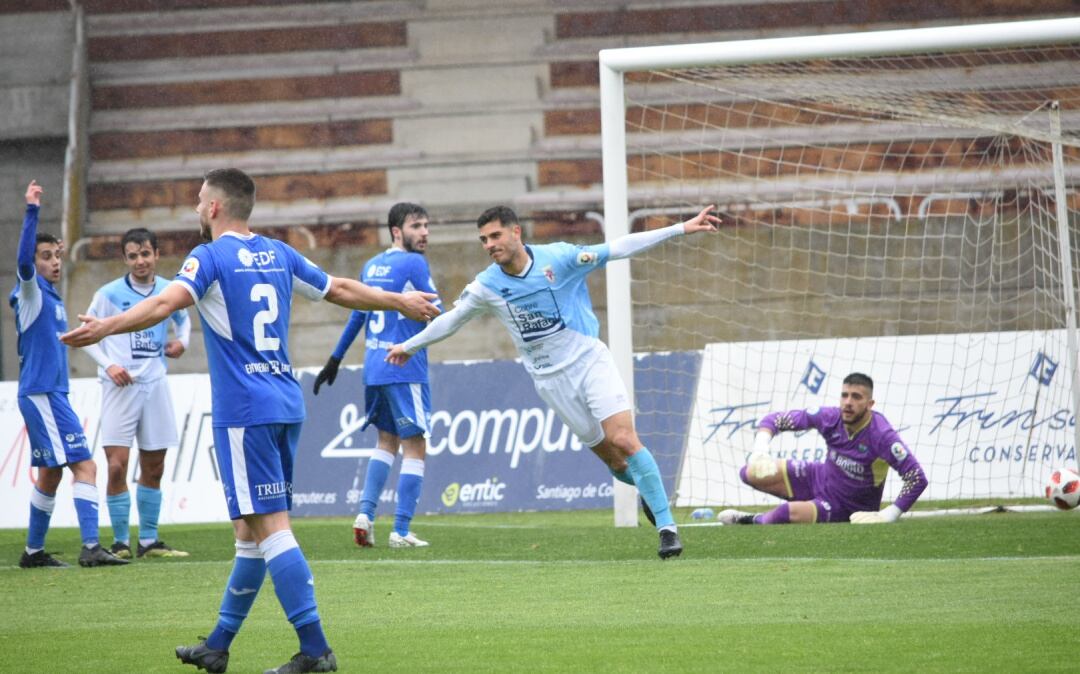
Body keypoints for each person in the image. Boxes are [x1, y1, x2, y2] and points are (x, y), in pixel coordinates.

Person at [62, 168, 439, 673]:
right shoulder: (278, 252)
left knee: (272, 528)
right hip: (285, 403)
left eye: (200, 201)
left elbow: (163, 303)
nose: (197, 208)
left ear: (215, 207)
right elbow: (340, 289)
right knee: (248, 529)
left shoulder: (209, 257)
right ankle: (218, 644)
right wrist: (400, 301)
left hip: (245, 413)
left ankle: (314, 650)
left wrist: (107, 325)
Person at [387, 205, 721, 559]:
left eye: (495, 236)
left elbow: (619, 247)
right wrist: (409, 346)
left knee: (622, 438)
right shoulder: (488, 285)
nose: (489, 244)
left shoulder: (560, 258)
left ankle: (667, 529)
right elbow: (452, 320)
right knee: (617, 463)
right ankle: (647, 489)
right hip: (551, 382)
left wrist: (680, 228)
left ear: (516, 232)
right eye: (484, 239)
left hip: (589, 361)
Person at [12, 181, 129, 568]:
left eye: (57, 256)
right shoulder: (30, 292)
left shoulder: (51, 297)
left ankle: (33, 552)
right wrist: (32, 211)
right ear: (33, 261)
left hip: (48, 392)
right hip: (43, 392)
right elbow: (24, 266)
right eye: (46, 256)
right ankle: (92, 546)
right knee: (86, 466)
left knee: (49, 474)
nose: (54, 262)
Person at [313, 203, 441, 548]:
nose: (425, 232)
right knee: (415, 446)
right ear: (397, 232)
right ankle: (400, 530)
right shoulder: (414, 263)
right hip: (404, 366)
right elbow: (436, 311)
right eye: (417, 226)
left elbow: (358, 314)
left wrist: (335, 359)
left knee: (386, 442)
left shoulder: (372, 265)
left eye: (427, 225)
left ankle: (365, 515)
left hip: (374, 369)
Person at [81, 228, 192, 559]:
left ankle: (148, 541)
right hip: (120, 386)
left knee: (154, 465)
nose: (140, 261)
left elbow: (184, 321)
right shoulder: (108, 294)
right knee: (116, 465)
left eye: (145, 253)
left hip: (154, 383)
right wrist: (109, 365)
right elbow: (89, 334)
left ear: (157, 254)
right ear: (125, 259)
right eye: (133, 255)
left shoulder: (170, 291)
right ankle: (119, 542)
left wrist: (182, 342)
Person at [717, 372, 928, 525]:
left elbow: (917, 478)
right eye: (845, 395)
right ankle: (805, 504)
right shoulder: (829, 417)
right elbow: (775, 420)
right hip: (819, 477)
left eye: (856, 397)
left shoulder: (881, 435)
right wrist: (760, 450)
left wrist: (889, 514)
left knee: (784, 514)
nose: (848, 402)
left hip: (846, 506)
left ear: (870, 403)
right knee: (749, 472)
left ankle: (749, 520)